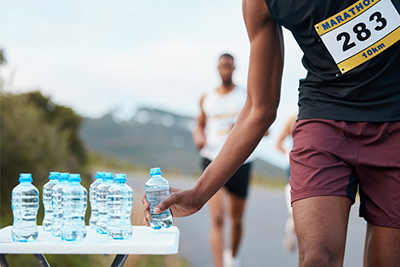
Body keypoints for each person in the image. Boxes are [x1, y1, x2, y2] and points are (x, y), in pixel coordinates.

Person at [143, 0, 400, 266]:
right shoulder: (260, 3)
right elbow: (259, 109)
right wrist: (198, 194)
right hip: (324, 121)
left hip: (395, 122)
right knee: (316, 259)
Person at [192, 53, 257, 267]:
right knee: (218, 218)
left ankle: (234, 258)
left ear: (234, 68)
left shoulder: (246, 96)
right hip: (212, 158)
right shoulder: (207, 97)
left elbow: (261, 125)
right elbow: (199, 124)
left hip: (241, 160)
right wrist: (199, 136)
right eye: (222, 66)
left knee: (236, 221)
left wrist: (242, 129)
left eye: (229, 66)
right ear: (217, 68)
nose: (225, 70)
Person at [275, 114, 297, 253]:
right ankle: (291, 231)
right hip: (294, 169)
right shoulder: (292, 118)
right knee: (296, 210)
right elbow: (278, 143)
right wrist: (289, 156)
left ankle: (293, 230)